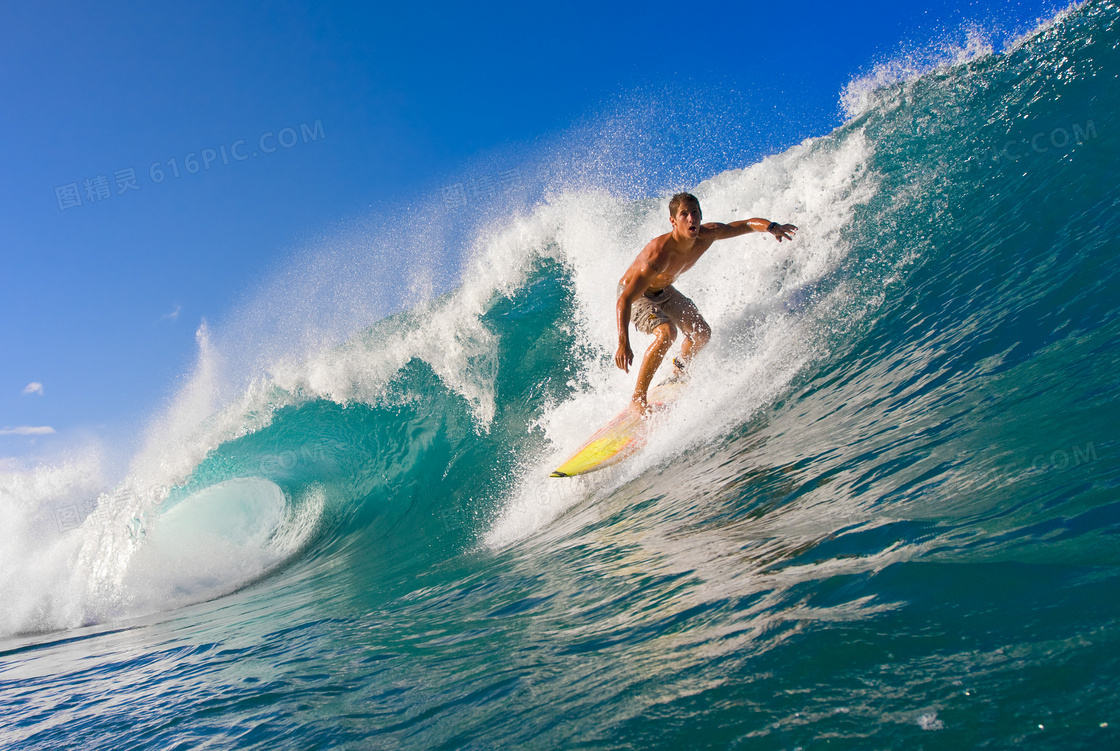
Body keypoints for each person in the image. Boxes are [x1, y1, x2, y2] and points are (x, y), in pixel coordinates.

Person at [615, 192, 797, 413]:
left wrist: (771, 226)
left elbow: (744, 225)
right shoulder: (659, 254)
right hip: (637, 294)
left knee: (701, 332)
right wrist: (623, 343)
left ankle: (679, 370)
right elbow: (625, 299)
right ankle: (638, 399)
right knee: (667, 333)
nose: (692, 218)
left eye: (695, 212)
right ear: (673, 221)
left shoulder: (707, 234)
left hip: (664, 289)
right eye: (684, 214)